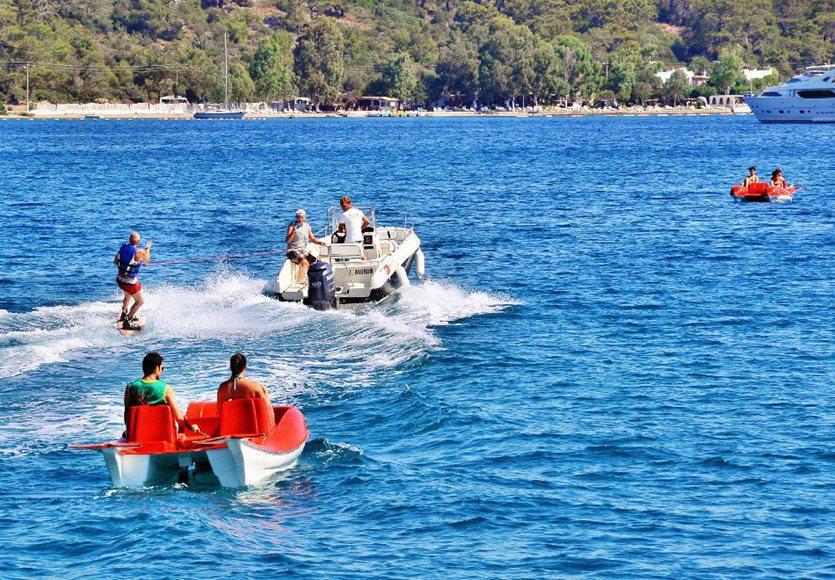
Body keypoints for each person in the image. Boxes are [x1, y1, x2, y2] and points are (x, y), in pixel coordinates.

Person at [123, 352, 198, 435]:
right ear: (156, 368)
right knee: (183, 430)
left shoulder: (130, 387)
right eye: (162, 368)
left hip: (137, 435)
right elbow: (179, 418)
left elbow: (127, 417)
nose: (162, 371)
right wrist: (191, 427)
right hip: (162, 436)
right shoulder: (165, 388)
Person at [114, 232, 152, 330]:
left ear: (129, 240)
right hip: (129, 283)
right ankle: (128, 321)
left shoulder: (123, 247)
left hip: (119, 280)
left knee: (128, 295)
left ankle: (124, 313)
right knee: (140, 301)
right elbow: (147, 260)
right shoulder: (139, 252)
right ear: (138, 242)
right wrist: (147, 248)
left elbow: (115, 261)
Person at [286, 209, 326, 284]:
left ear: (305, 217)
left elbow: (312, 239)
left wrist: (319, 242)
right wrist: (293, 232)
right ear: (296, 217)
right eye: (298, 217)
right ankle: (298, 283)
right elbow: (288, 241)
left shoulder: (307, 226)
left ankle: (314, 281)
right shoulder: (291, 226)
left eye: (301, 217)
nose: (300, 219)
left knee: (318, 264)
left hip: (303, 251)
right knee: (305, 263)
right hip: (292, 251)